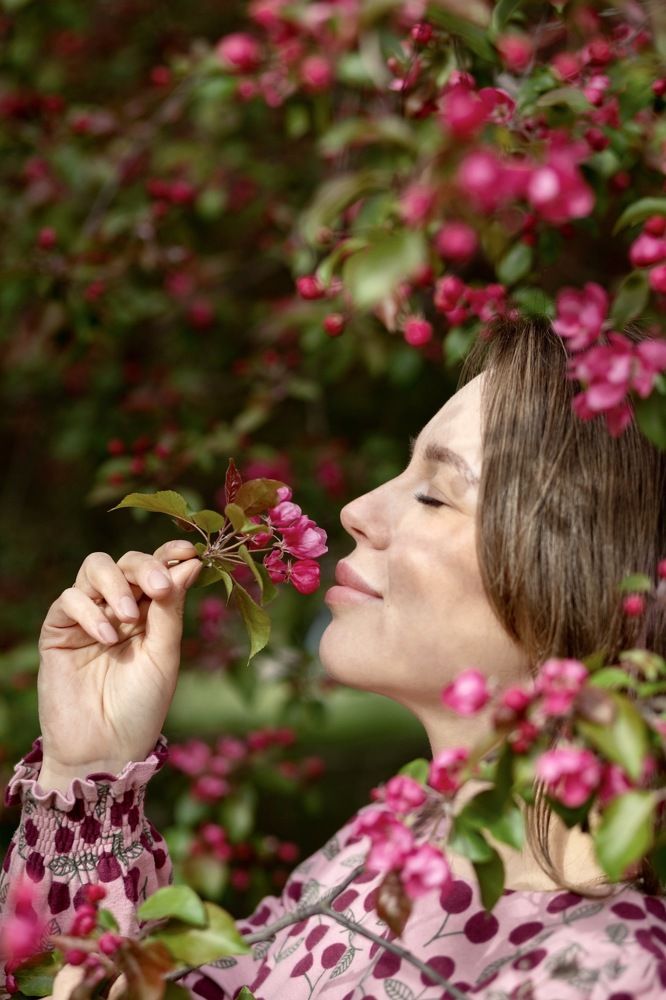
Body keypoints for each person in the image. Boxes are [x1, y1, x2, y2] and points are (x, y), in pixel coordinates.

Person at [1, 317, 665, 999]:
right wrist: (90, 767)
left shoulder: (605, 974)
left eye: (435, 494)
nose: (354, 509)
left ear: (581, 578)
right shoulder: (390, 849)